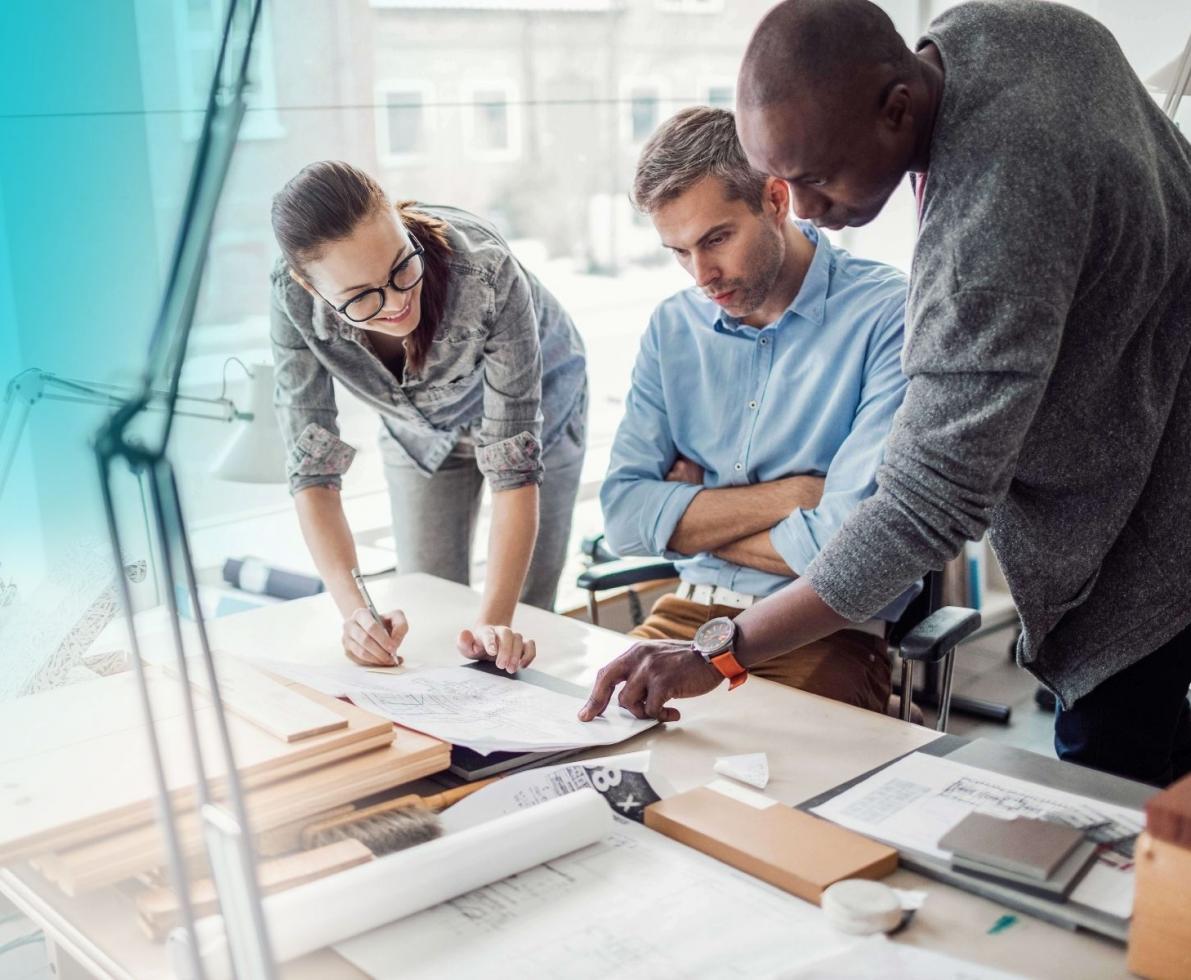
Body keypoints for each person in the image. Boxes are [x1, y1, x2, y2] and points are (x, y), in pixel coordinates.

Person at [581, 0, 1191, 788]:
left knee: (1106, 807)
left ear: (897, 108)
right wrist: (786, 501)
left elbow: (921, 508)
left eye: (812, 179)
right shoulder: (999, 30)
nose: (803, 211)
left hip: (1143, 527)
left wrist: (719, 639)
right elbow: (626, 514)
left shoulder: (979, 244)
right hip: (1156, 412)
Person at [599, 106, 914, 715]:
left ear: (775, 199)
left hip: (823, 630)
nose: (701, 275)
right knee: (586, 765)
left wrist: (689, 523)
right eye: (678, 251)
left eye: (716, 239)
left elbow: (850, 548)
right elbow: (622, 518)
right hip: (680, 616)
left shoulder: (888, 316)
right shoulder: (674, 327)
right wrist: (796, 495)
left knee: (756, 800)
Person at [270, 161, 587, 673]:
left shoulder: (487, 272)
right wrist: (357, 617)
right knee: (428, 606)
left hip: (538, 414)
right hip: (416, 430)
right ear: (311, 289)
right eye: (361, 298)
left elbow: (514, 476)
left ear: (398, 219)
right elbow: (313, 474)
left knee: (518, 624)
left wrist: (494, 626)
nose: (396, 304)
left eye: (402, 268)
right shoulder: (291, 300)